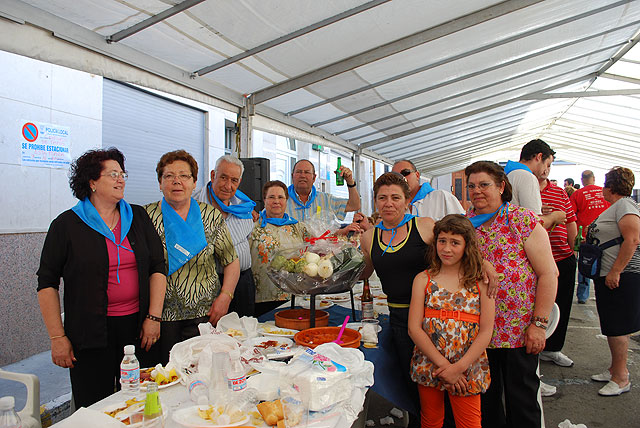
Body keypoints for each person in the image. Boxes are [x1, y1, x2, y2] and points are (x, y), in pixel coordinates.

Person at [37, 148, 166, 408]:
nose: (121, 179)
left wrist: (153, 317)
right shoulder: (67, 225)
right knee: (95, 404)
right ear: (92, 182)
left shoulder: (138, 217)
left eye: (122, 173)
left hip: (138, 328)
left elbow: (157, 267)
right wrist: (57, 338)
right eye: (113, 174)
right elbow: (47, 283)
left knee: (142, 400)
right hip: (90, 332)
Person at [464, 161, 558, 428]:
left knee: (522, 402)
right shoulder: (466, 226)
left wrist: (539, 325)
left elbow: (549, 274)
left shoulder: (521, 219)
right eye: (472, 186)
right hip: (479, 333)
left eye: (484, 184)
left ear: (501, 186)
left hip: (519, 331)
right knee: (487, 402)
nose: (477, 191)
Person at [145, 150, 240, 364]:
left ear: (194, 182)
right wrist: (151, 316)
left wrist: (225, 296)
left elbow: (231, 260)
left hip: (205, 312)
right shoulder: (145, 217)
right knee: (166, 374)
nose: (177, 182)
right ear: (160, 183)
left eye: (184, 176)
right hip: (161, 316)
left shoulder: (211, 216)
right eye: (169, 176)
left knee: (204, 371)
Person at [409, 215, 494, 428]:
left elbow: (486, 331)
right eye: (442, 241)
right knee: (431, 421)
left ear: (467, 246)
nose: (447, 248)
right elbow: (414, 328)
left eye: (455, 242)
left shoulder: (481, 283)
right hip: (430, 362)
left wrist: (459, 368)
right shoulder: (423, 279)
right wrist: (446, 366)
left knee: (470, 423)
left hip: (468, 366)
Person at [586, 167, 640, 396]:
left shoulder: (625, 206)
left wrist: (616, 271)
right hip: (611, 275)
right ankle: (614, 369)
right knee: (611, 324)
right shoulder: (618, 206)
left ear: (610, 187)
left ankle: (621, 377)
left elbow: (633, 239)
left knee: (617, 326)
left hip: (621, 276)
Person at [194, 155, 256, 317]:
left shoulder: (244, 207)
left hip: (243, 283)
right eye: (223, 178)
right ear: (213, 175)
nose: (228, 186)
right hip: (210, 284)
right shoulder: (193, 206)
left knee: (244, 333)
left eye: (234, 180)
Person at [536, 166, 578, 368]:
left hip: (562, 257)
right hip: (535, 262)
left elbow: (571, 221)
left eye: (550, 165)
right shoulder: (521, 187)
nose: (547, 169)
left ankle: (553, 349)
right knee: (538, 306)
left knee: (562, 304)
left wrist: (571, 249)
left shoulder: (559, 191)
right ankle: (534, 349)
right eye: (546, 163)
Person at [250, 180, 309, 316]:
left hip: (295, 297)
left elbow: (317, 246)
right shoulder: (253, 227)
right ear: (264, 200)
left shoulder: (299, 227)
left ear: (286, 200)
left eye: (280, 197)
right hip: (263, 298)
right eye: (271, 197)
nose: (276, 201)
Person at [503, 139, 565, 230]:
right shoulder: (527, 177)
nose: (546, 170)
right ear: (539, 157)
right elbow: (534, 224)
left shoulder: (509, 173)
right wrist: (554, 217)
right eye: (547, 164)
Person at [570, 170, 610, 304]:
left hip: (585, 236)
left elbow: (571, 216)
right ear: (594, 178)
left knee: (585, 264)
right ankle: (604, 292)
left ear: (582, 180)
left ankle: (582, 295)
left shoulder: (577, 194)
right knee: (604, 264)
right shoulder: (605, 192)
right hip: (605, 236)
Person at [285, 159, 360, 222]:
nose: (302, 175)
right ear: (292, 176)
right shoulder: (281, 200)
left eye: (307, 172)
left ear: (314, 178)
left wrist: (350, 182)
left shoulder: (326, 199)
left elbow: (354, 205)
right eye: (298, 172)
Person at [392, 160, 464, 220]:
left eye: (405, 173)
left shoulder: (441, 197)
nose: (402, 178)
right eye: (396, 176)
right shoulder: (394, 206)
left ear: (417, 175)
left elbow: (462, 225)